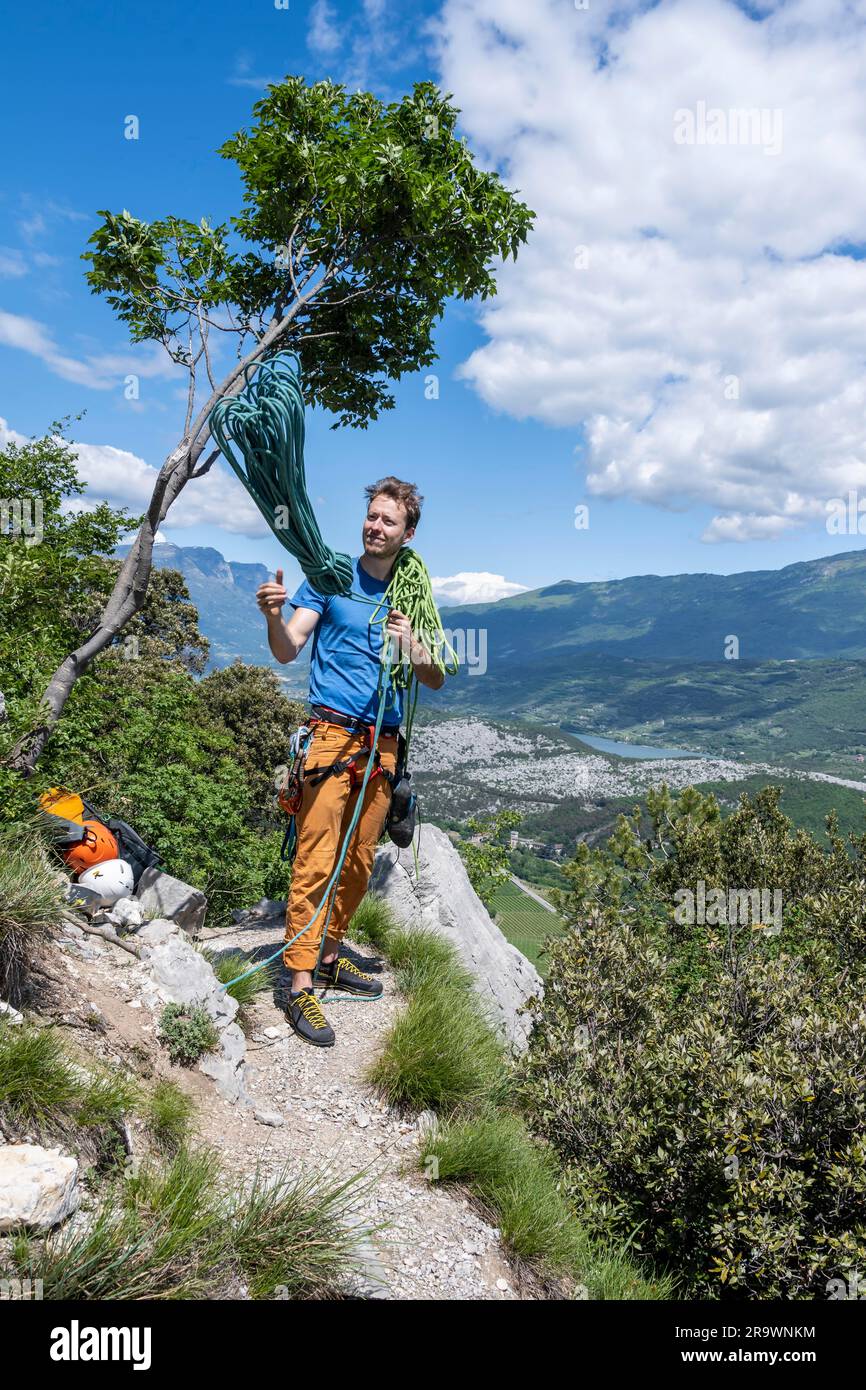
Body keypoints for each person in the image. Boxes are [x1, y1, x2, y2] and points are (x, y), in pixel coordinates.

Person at [255, 477, 444, 1046]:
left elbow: (434, 678)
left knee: (358, 860)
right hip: (332, 737)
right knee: (316, 858)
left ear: (408, 532)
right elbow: (289, 647)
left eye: (389, 521)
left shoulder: (409, 597)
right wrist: (272, 614)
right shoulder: (329, 579)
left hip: (380, 746)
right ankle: (299, 981)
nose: (376, 527)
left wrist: (412, 645)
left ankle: (332, 954)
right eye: (372, 516)